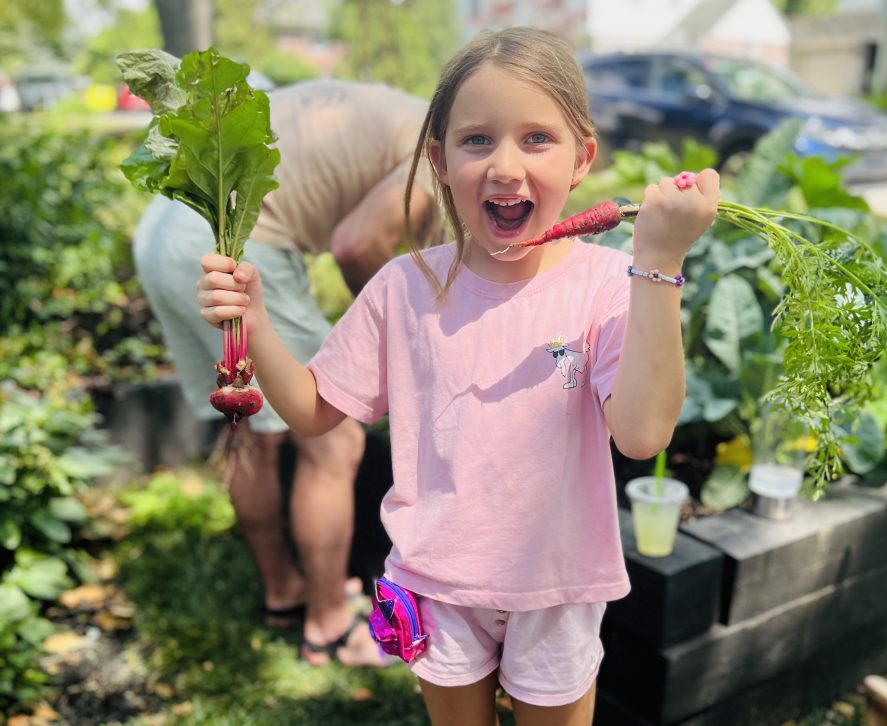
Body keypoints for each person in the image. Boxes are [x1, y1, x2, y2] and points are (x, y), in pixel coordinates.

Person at [197, 27, 719, 725]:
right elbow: (314, 413)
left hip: (556, 586)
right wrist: (256, 321)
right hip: (432, 583)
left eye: (537, 139)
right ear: (439, 161)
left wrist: (657, 264)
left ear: (582, 158)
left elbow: (642, 434)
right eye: (478, 141)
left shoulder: (606, 284)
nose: (505, 166)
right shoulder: (402, 286)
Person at [133, 79, 441, 668]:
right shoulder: (446, 147)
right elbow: (357, 246)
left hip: (163, 235)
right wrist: (393, 344)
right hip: (233, 245)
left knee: (247, 429)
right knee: (334, 438)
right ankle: (328, 622)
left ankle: (283, 589)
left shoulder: (405, 112)